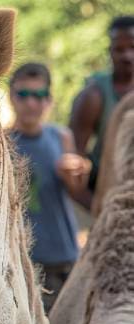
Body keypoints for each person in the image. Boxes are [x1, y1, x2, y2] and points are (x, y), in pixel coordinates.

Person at [9, 62, 82, 313]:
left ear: (49, 100)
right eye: (24, 94)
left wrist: (76, 172)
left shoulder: (61, 137)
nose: (32, 103)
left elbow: (75, 193)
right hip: (24, 260)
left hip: (66, 254)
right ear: (11, 97)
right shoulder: (1, 142)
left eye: (39, 96)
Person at [67, 16, 134, 194]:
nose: (127, 56)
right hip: (105, 190)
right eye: (120, 49)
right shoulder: (94, 96)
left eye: (132, 48)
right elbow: (74, 161)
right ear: (110, 51)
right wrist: (98, 212)